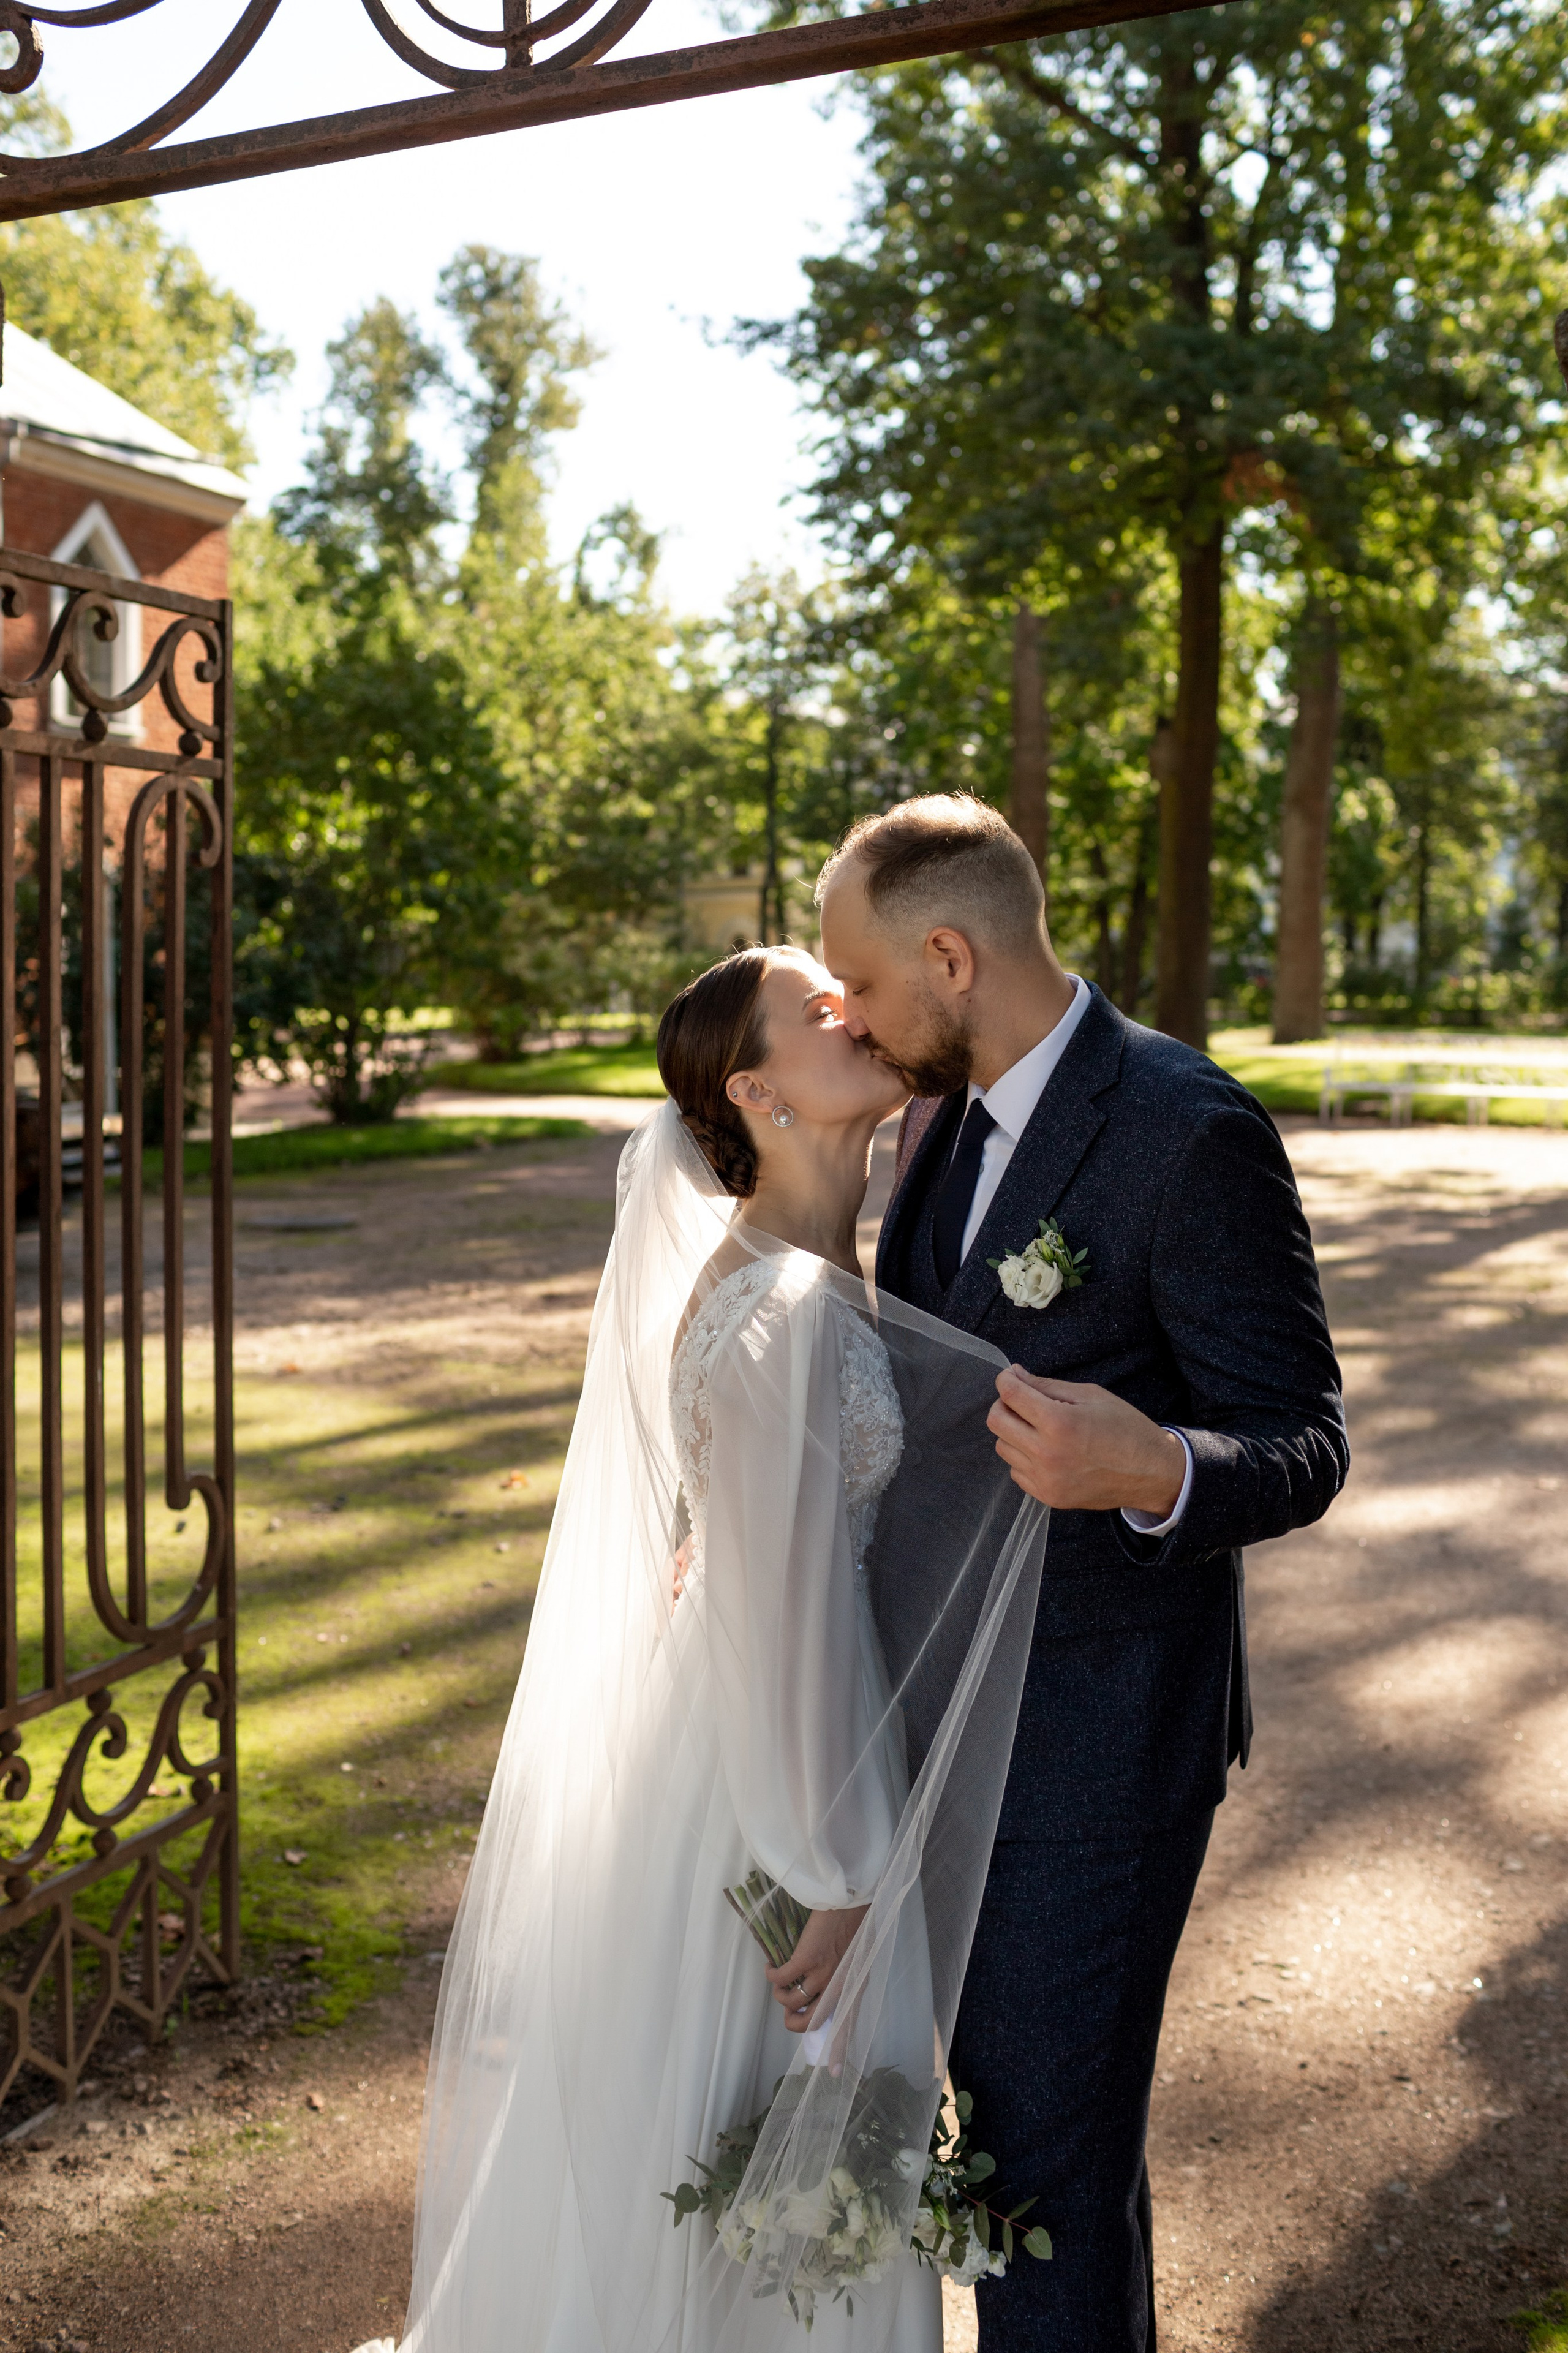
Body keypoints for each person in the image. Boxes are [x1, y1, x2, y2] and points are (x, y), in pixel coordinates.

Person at [398, 945, 1051, 2353]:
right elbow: (783, 1622)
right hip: (774, 1813)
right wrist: (835, 1875)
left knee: (751, 2201)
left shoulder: (796, 1270)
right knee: (770, 2177)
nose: (855, 1012)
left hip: (750, 1755)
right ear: (754, 1089)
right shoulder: (784, 1316)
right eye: (817, 1010)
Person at [816, 795, 1348, 2353]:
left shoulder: (1189, 1131)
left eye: (860, 977)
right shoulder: (928, 1118)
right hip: (928, 1740)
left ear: (948, 953)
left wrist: (1155, 1470)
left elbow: (1304, 1439)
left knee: (1042, 2170)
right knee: (969, 2146)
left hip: (1095, 1751)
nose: (843, 1010)